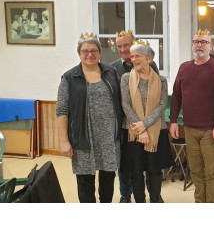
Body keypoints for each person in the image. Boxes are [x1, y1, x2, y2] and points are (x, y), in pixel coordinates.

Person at [56, 32, 122, 203]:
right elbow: (62, 110)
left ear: (100, 53)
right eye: (85, 51)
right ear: (79, 54)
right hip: (83, 137)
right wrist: (64, 141)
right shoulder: (69, 78)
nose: (90, 54)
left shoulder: (111, 72)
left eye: (93, 50)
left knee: (108, 177)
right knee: (85, 181)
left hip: (108, 137)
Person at [169, 28, 214, 203]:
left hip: (211, 130)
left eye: (204, 42)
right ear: (192, 45)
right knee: (196, 171)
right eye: (197, 41)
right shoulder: (184, 68)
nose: (199, 45)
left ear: (211, 46)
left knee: (212, 172)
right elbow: (176, 96)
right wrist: (173, 121)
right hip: (189, 128)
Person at [110, 30, 160, 203]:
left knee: (150, 163)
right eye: (119, 46)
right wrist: (136, 124)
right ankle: (126, 194)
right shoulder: (113, 68)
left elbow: (155, 93)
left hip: (149, 124)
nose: (123, 49)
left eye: (126, 45)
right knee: (126, 165)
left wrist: (144, 124)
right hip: (125, 124)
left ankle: (154, 194)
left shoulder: (150, 66)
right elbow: (121, 100)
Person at [120, 43, 173, 203]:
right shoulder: (126, 78)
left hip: (156, 130)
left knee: (154, 170)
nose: (133, 58)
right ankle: (140, 201)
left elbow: (162, 106)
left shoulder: (161, 81)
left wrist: (145, 125)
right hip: (133, 131)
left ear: (149, 58)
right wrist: (140, 129)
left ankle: (155, 199)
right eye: (132, 55)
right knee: (135, 171)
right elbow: (125, 104)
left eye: (137, 56)